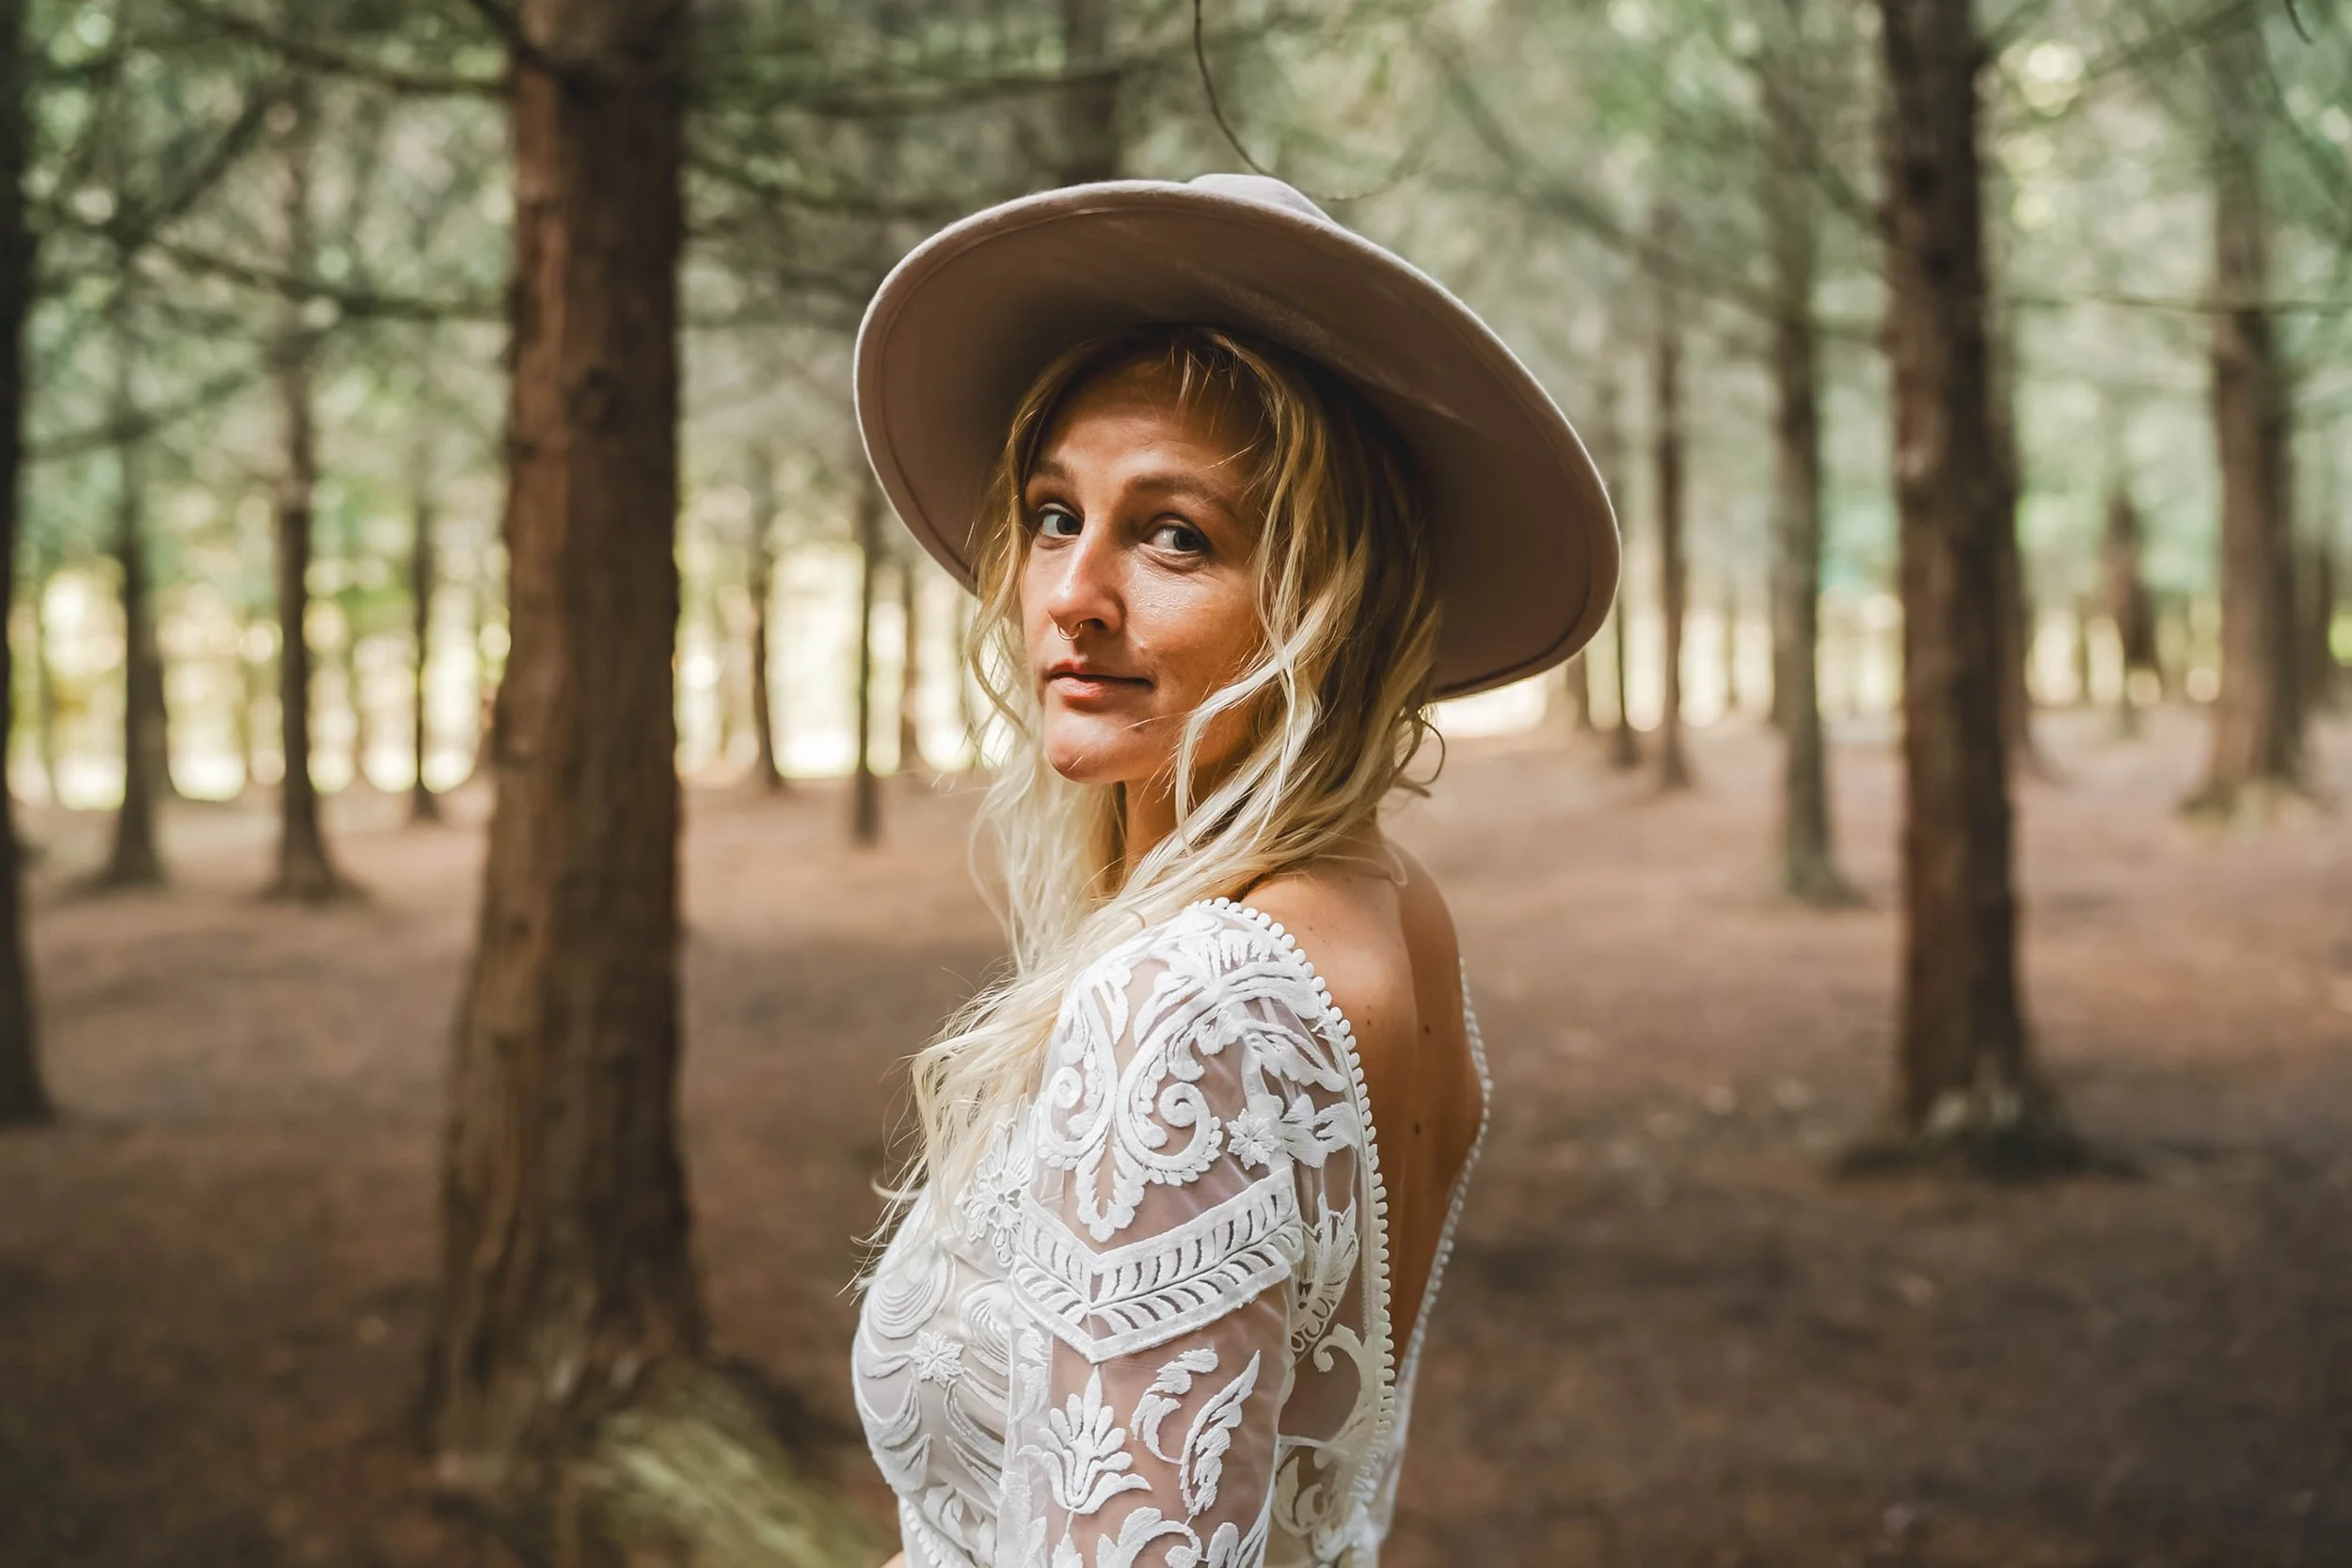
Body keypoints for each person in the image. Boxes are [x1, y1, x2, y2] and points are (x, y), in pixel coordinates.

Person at [849, 173, 1618, 1568]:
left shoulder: (1186, 1000)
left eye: (1173, 533)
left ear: (1323, 601)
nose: (1073, 594)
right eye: (1052, 513)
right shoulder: (1389, 908)